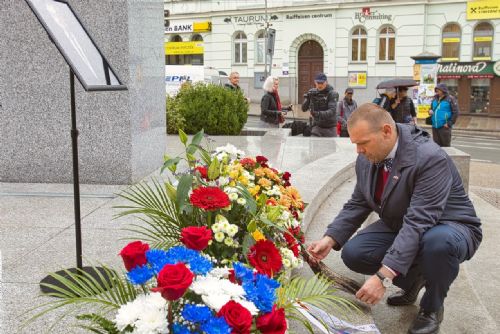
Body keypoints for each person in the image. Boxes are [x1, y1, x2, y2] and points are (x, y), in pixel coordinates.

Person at [307, 103, 482, 334]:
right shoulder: (367, 158)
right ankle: (413, 281)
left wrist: (383, 277)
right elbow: (359, 202)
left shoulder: (429, 158)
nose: (358, 151)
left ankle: (432, 307)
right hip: (401, 223)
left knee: (438, 244)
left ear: (387, 131)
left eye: (362, 143)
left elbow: (419, 221)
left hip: (449, 225)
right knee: (354, 253)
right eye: (355, 143)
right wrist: (329, 239)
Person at [301, 73, 339, 137]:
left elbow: (332, 111)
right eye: (318, 83)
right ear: (315, 82)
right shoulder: (313, 92)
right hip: (317, 127)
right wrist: (308, 98)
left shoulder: (332, 93)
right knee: (314, 145)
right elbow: (303, 109)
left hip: (330, 128)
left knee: (331, 146)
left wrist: (318, 114)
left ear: (326, 82)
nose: (319, 85)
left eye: (322, 83)